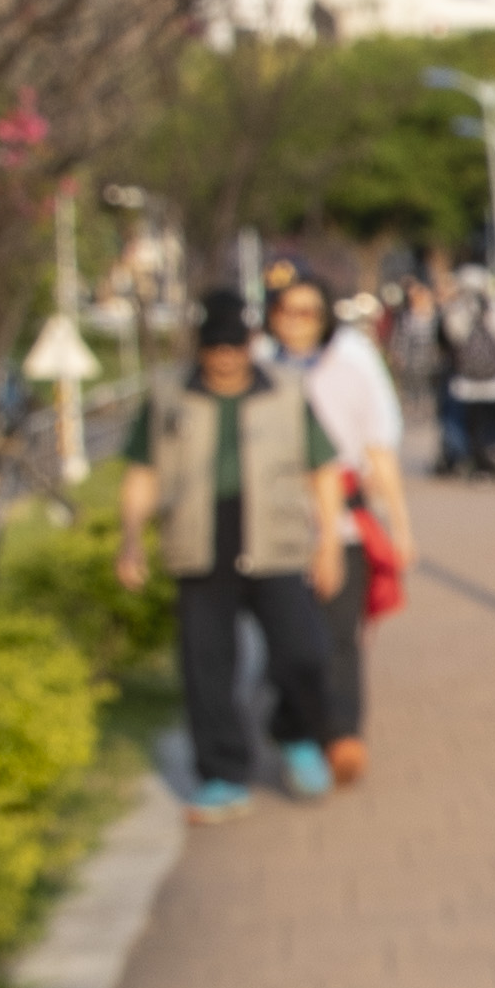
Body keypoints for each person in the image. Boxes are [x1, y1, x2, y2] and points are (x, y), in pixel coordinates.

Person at [117, 291, 349, 822]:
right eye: (213, 348)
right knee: (207, 667)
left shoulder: (285, 391)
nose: (224, 359)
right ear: (201, 349)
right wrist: (131, 539)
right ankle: (222, 775)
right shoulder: (169, 393)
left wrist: (329, 543)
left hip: (274, 539)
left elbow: (323, 469)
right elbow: (142, 473)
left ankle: (294, 733)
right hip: (200, 541)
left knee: (303, 651)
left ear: (249, 344)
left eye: (233, 347)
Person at [261, 265, 408, 787]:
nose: (297, 323)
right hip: (273, 526)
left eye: (309, 313)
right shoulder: (258, 372)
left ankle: (342, 733)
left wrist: (401, 525)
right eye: (286, 311)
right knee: (289, 641)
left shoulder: (351, 367)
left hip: (344, 521)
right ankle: (295, 729)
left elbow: (377, 449)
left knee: (341, 634)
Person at [431, 269, 495, 479]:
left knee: (472, 421)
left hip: (466, 379)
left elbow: (453, 335)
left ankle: (469, 459)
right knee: (491, 421)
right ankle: (490, 458)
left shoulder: (459, 308)